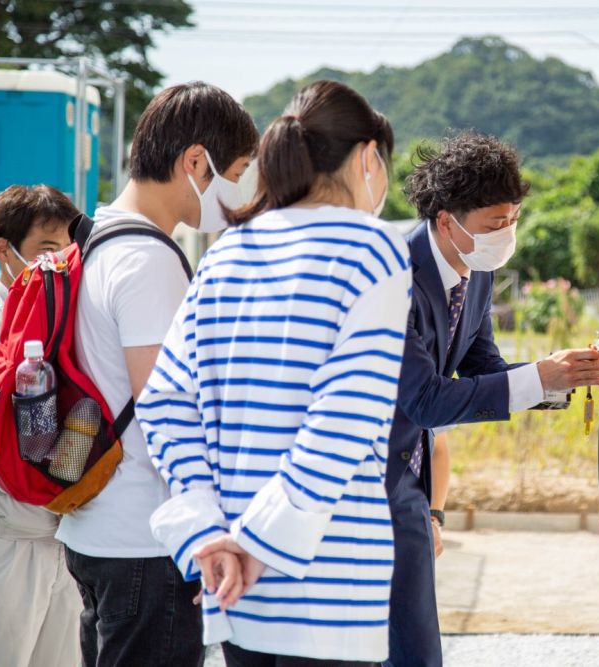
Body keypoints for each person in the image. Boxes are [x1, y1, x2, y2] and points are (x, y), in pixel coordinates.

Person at [135, 80, 411, 667]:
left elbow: (162, 401)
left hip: (233, 587)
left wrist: (210, 531)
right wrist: (258, 542)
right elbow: (346, 419)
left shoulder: (227, 252)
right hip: (327, 590)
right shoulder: (372, 248)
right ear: (368, 157)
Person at [385, 131, 599, 666]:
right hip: (363, 488)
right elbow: (424, 401)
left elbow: (484, 369)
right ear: (447, 220)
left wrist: (561, 376)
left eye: (513, 220)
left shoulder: (479, 273)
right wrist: (539, 377)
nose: (507, 234)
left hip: (409, 493)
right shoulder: (394, 274)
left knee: (411, 648)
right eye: (495, 225)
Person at [55, 81, 259, 666]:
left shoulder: (98, 237)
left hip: (97, 526)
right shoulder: (149, 261)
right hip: (145, 540)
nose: (238, 191)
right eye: (237, 171)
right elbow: (168, 407)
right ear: (196, 161)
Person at [0, 185, 79, 666]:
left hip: (65, 544)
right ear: (3, 250)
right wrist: (69, 484)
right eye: (46, 251)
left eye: (67, 253)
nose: (59, 266)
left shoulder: (67, 324)